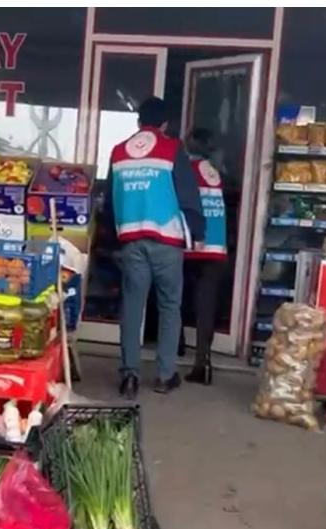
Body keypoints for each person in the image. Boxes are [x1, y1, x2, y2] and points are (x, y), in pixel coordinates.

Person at [104, 97, 205, 399]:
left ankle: (129, 376)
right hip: (167, 241)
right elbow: (188, 195)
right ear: (165, 124)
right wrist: (197, 231)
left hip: (131, 240)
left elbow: (109, 201)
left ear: (139, 122)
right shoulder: (172, 149)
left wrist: (111, 240)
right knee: (169, 306)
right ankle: (164, 375)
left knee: (133, 307)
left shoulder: (118, 152)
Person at [179, 128, 228, 386]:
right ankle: (203, 362)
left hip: (193, 245)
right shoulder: (215, 171)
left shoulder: (186, 170)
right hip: (216, 245)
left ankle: (177, 346)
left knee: (175, 299)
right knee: (206, 306)